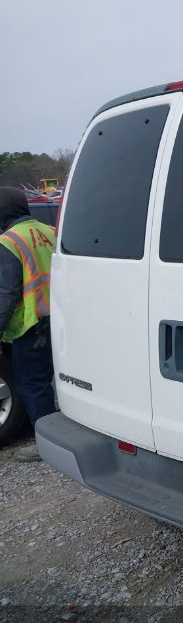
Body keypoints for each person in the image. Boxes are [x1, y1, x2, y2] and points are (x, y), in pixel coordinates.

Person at [0, 187, 56, 462]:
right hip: (59, 318)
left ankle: (47, 444)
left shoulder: (9, 241)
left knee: (33, 384)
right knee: (54, 380)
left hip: (31, 325)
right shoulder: (50, 231)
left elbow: (6, 292)